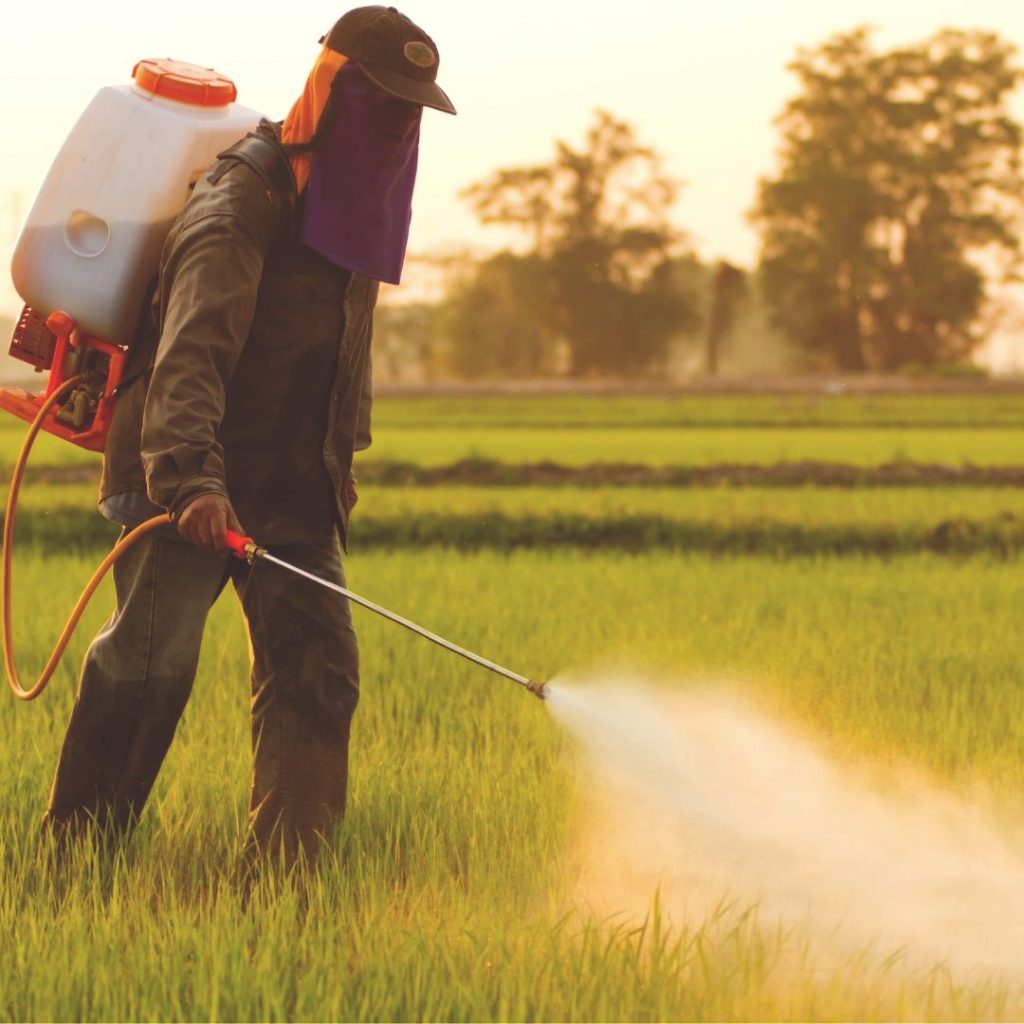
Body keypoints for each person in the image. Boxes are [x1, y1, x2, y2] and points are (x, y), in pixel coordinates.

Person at [42, 6, 456, 871]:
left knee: (319, 672)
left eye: (411, 108)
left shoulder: (351, 213)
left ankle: (283, 889)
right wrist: (192, 480)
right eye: (383, 101)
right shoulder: (242, 202)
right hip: (188, 475)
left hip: (293, 486)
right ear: (332, 90)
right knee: (150, 666)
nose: (398, 123)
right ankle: (74, 862)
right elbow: (191, 354)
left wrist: (337, 472)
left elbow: (345, 354)